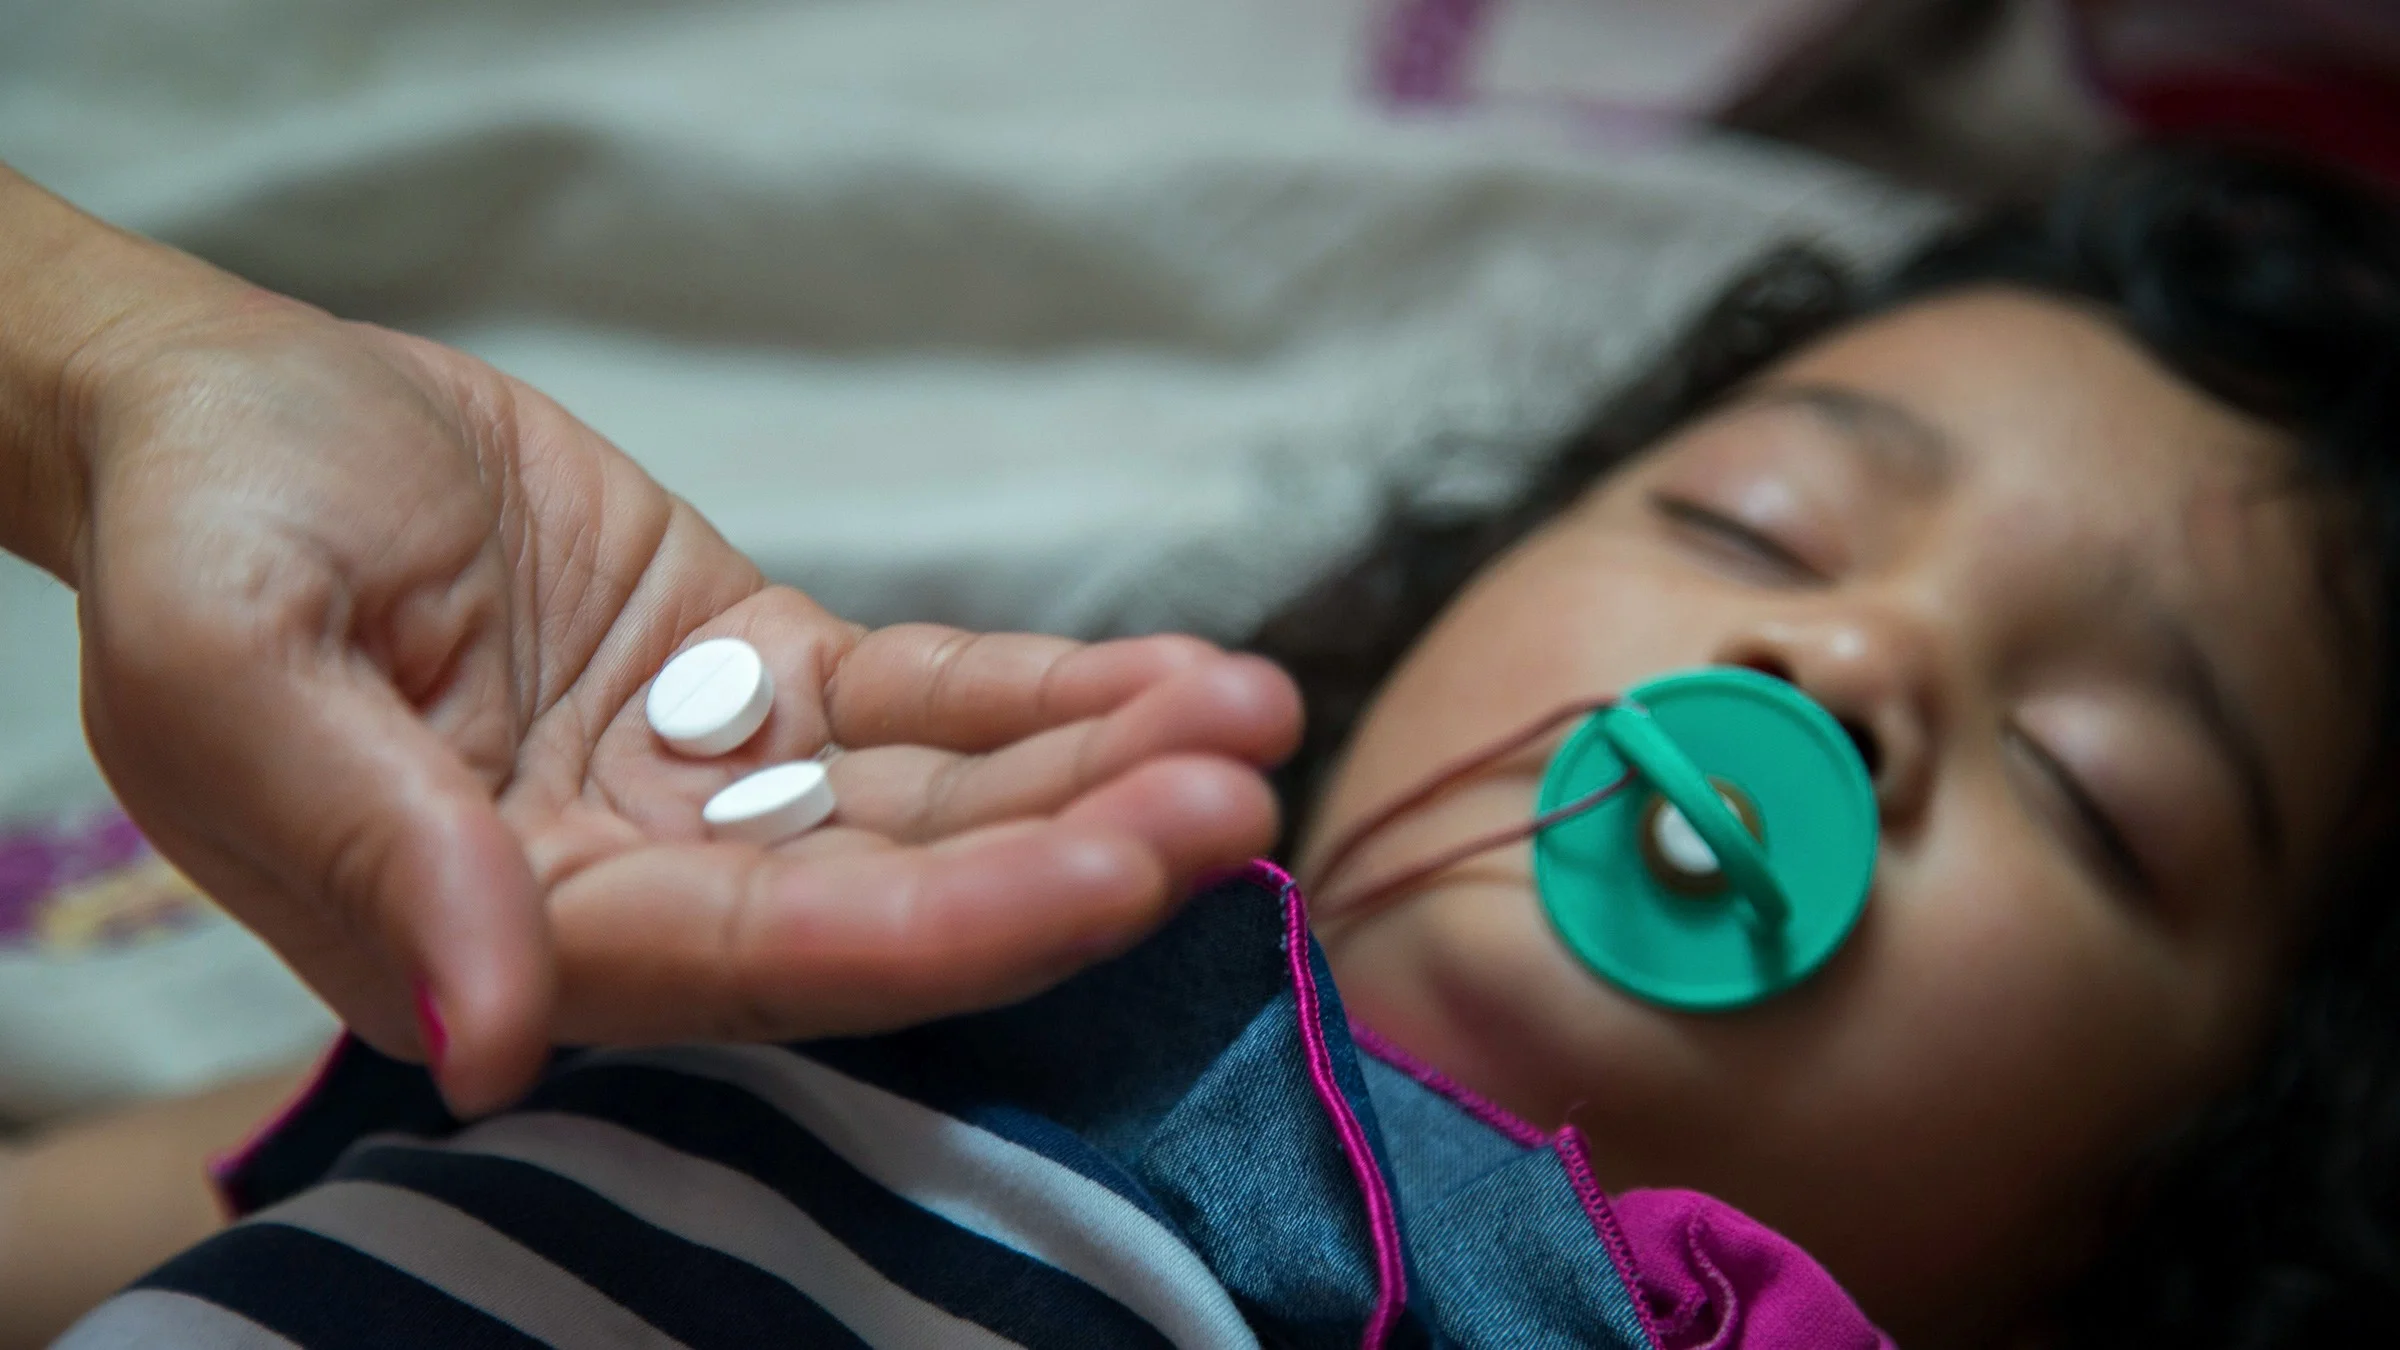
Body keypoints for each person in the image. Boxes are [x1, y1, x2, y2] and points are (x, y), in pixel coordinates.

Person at [46, 142, 2400, 1346]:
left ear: (2185, 1207)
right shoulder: (848, 924)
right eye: (1751, 521)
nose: (1855, 666)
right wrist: (135, 371)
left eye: (2100, 790)